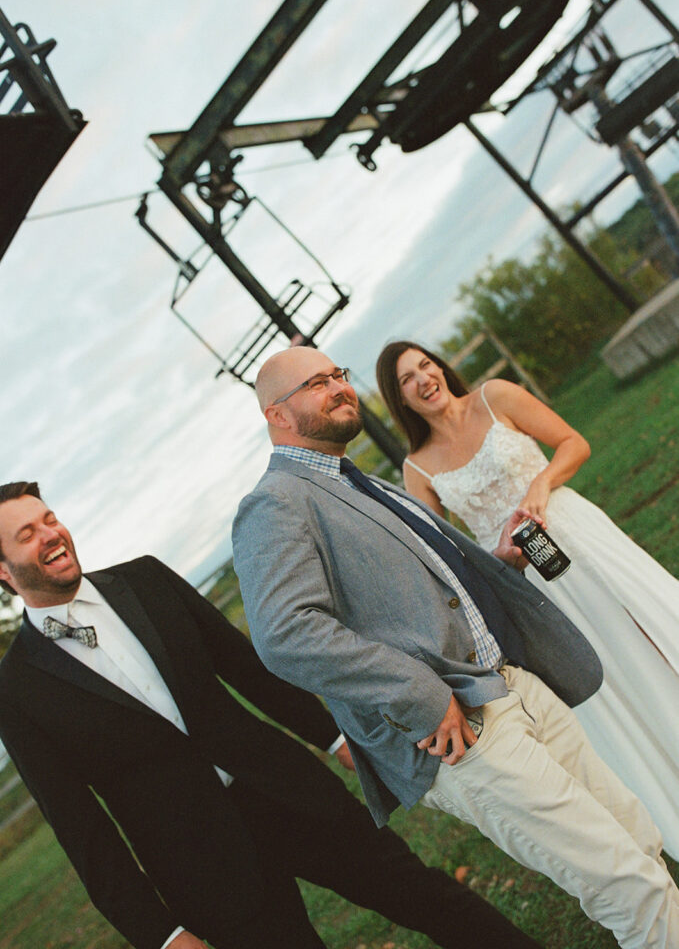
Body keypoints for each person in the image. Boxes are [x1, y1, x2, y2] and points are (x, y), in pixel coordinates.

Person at [233, 344, 679, 949]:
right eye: (316, 384)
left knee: (637, 840)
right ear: (277, 416)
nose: (338, 387)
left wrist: (494, 569)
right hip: (460, 728)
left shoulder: (355, 480)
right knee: (624, 883)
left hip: (512, 684)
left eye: (339, 373)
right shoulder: (275, 502)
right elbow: (285, 632)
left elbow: (416, 591)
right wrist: (418, 693)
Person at [0, 481, 547, 949]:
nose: (51, 533)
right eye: (27, 534)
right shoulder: (16, 689)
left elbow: (247, 668)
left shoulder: (145, 580)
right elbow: (79, 825)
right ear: (4, 572)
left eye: (49, 519)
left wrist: (335, 739)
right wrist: (160, 935)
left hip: (289, 789)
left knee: (424, 895)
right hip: (201, 865)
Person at [375, 339, 679, 860]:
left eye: (425, 365)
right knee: (600, 671)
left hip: (576, 533)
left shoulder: (495, 397)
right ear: (399, 399)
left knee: (647, 626)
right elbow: (447, 558)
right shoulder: (417, 470)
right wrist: (498, 558)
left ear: (440, 367)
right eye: (407, 379)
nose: (424, 379)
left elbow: (573, 443)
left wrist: (539, 485)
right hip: (526, 581)